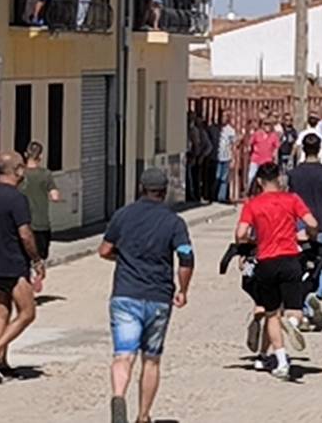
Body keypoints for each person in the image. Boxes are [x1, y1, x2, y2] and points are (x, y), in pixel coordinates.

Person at [98, 168, 194, 423]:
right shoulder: (174, 222)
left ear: (140, 187)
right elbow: (186, 258)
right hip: (158, 297)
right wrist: (183, 290)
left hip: (125, 295)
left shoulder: (123, 215)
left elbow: (104, 250)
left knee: (123, 354)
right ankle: (143, 416)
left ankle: (118, 396)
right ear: (164, 192)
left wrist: (123, 257)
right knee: (151, 360)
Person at [234, 163, 319, 379]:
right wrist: (307, 236)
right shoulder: (292, 199)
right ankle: (292, 323)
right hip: (290, 258)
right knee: (295, 308)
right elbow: (312, 222)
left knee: (271, 313)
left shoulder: (252, 204)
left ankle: (281, 362)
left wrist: (254, 240)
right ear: (279, 180)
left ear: (260, 181)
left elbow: (241, 233)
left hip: (266, 261)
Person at [0, 151, 46, 383]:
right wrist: (36, 259)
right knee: (27, 312)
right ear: (17, 170)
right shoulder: (17, 198)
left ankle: (1, 364)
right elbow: (25, 233)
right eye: (22, 168)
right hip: (14, 263)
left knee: (2, 313)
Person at [288, 134, 322, 330]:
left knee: (302, 267)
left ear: (303, 148)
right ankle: (316, 295)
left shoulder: (294, 173)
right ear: (319, 149)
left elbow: (289, 198)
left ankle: (303, 308)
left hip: (300, 224)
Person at [19, 141, 62, 262]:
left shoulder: (20, 174)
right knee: (39, 259)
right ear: (41, 156)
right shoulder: (46, 174)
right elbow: (55, 196)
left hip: (23, 224)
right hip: (40, 224)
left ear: (25, 154)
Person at [248, 119, 280, 189]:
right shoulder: (256, 134)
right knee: (251, 177)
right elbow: (250, 144)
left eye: (269, 124)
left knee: (267, 179)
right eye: (265, 124)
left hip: (267, 160)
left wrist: (275, 159)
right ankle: (249, 192)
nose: (267, 126)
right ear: (262, 125)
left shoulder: (274, 135)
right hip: (256, 159)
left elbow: (276, 148)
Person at [216, 111, 237, 203]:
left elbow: (234, 145)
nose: (223, 118)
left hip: (226, 156)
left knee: (224, 178)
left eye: (225, 116)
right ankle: (213, 195)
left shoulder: (231, 130)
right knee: (217, 177)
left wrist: (233, 158)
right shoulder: (216, 129)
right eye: (222, 116)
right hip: (216, 156)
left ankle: (221, 197)